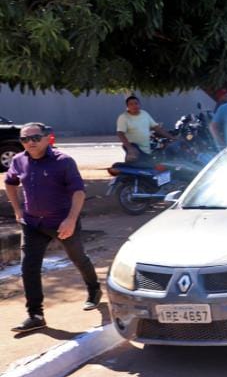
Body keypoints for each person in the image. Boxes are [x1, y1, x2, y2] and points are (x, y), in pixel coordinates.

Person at [5, 123, 101, 332]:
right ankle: (35, 315)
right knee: (28, 268)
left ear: (47, 138)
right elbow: (10, 182)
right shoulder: (18, 160)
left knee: (78, 258)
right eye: (24, 139)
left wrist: (71, 219)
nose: (29, 143)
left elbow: (78, 192)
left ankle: (94, 289)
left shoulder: (63, 161)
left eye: (35, 138)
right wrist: (17, 209)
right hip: (32, 224)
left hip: (62, 222)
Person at [115, 95, 169, 162]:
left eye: (136, 103)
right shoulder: (123, 117)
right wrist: (130, 148)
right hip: (134, 151)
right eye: (131, 104)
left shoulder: (144, 114)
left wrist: (171, 137)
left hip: (147, 151)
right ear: (127, 107)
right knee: (135, 169)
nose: (134, 106)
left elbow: (156, 127)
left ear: (139, 104)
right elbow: (120, 133)